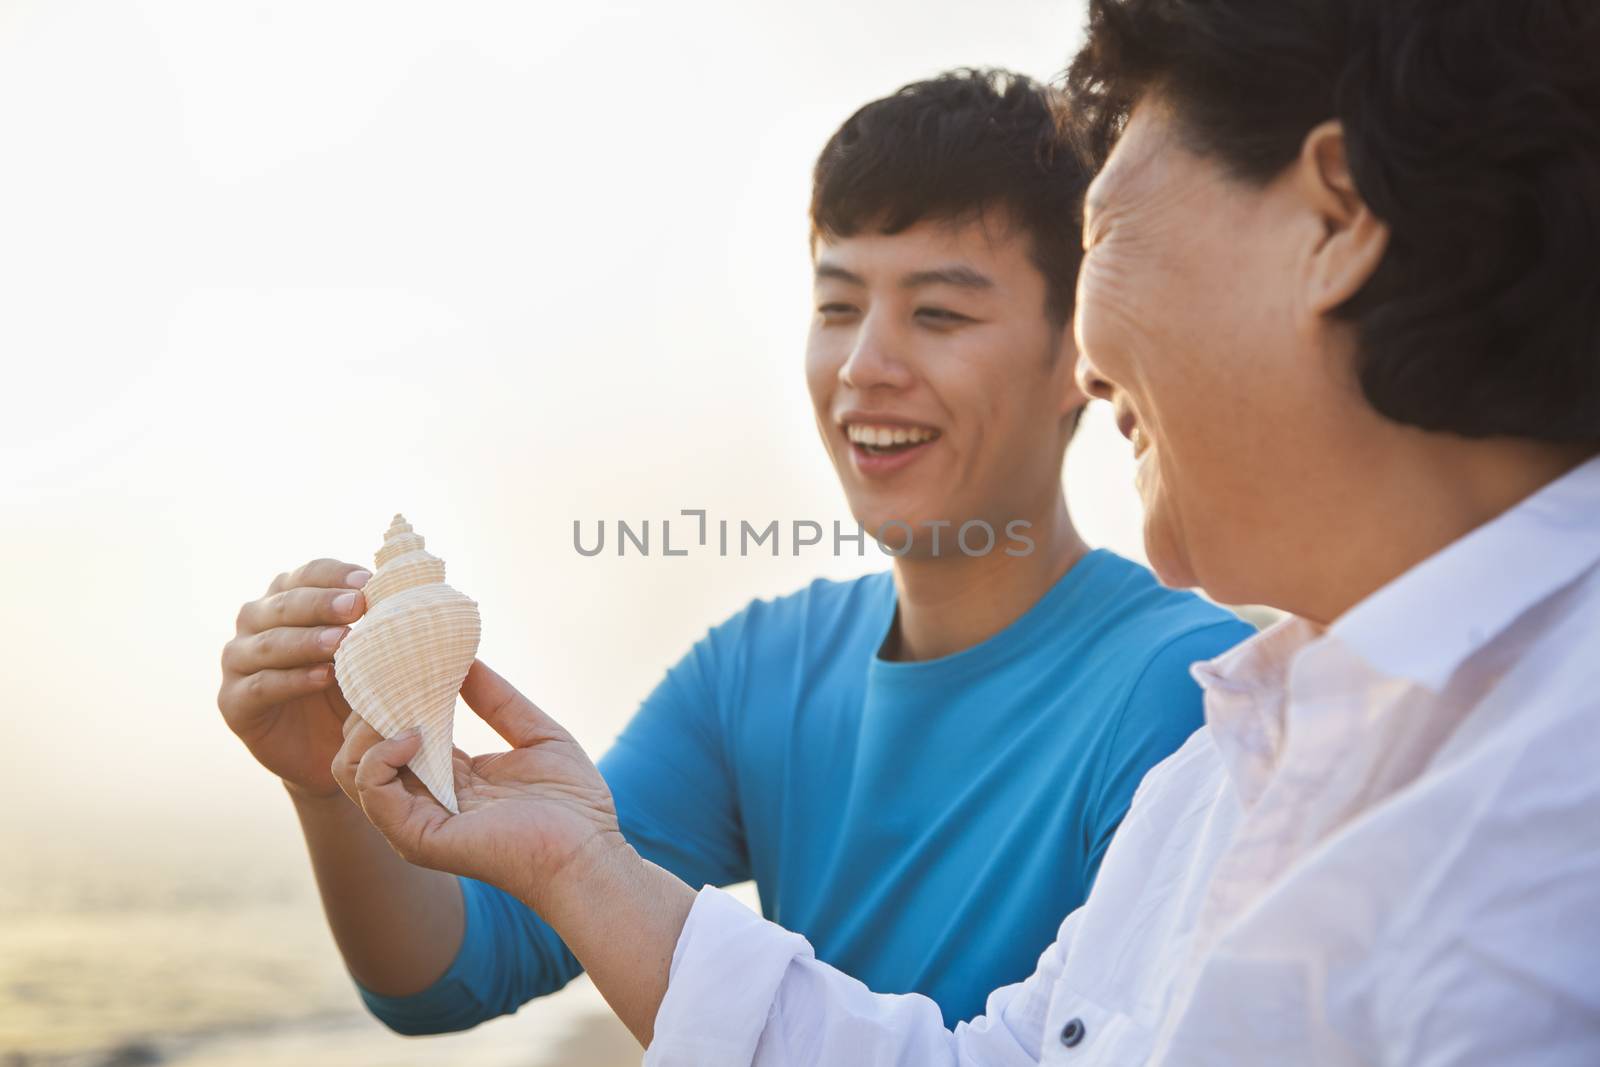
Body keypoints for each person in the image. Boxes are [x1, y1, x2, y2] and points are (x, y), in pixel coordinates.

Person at [331, 1, 1600, 1062]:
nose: (869, 368)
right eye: (837, 304)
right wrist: (561, 857)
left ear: (1332, 219)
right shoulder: (1240, 759)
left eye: (1106, 232)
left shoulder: (1509, 795)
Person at [216, 69, 1250, 1035]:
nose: (863, 365)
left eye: (938, 313)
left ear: (1083, 347)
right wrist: (331, 787)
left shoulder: (1200, 698)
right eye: (837, 305)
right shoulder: (756, 668)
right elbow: (458, 971)